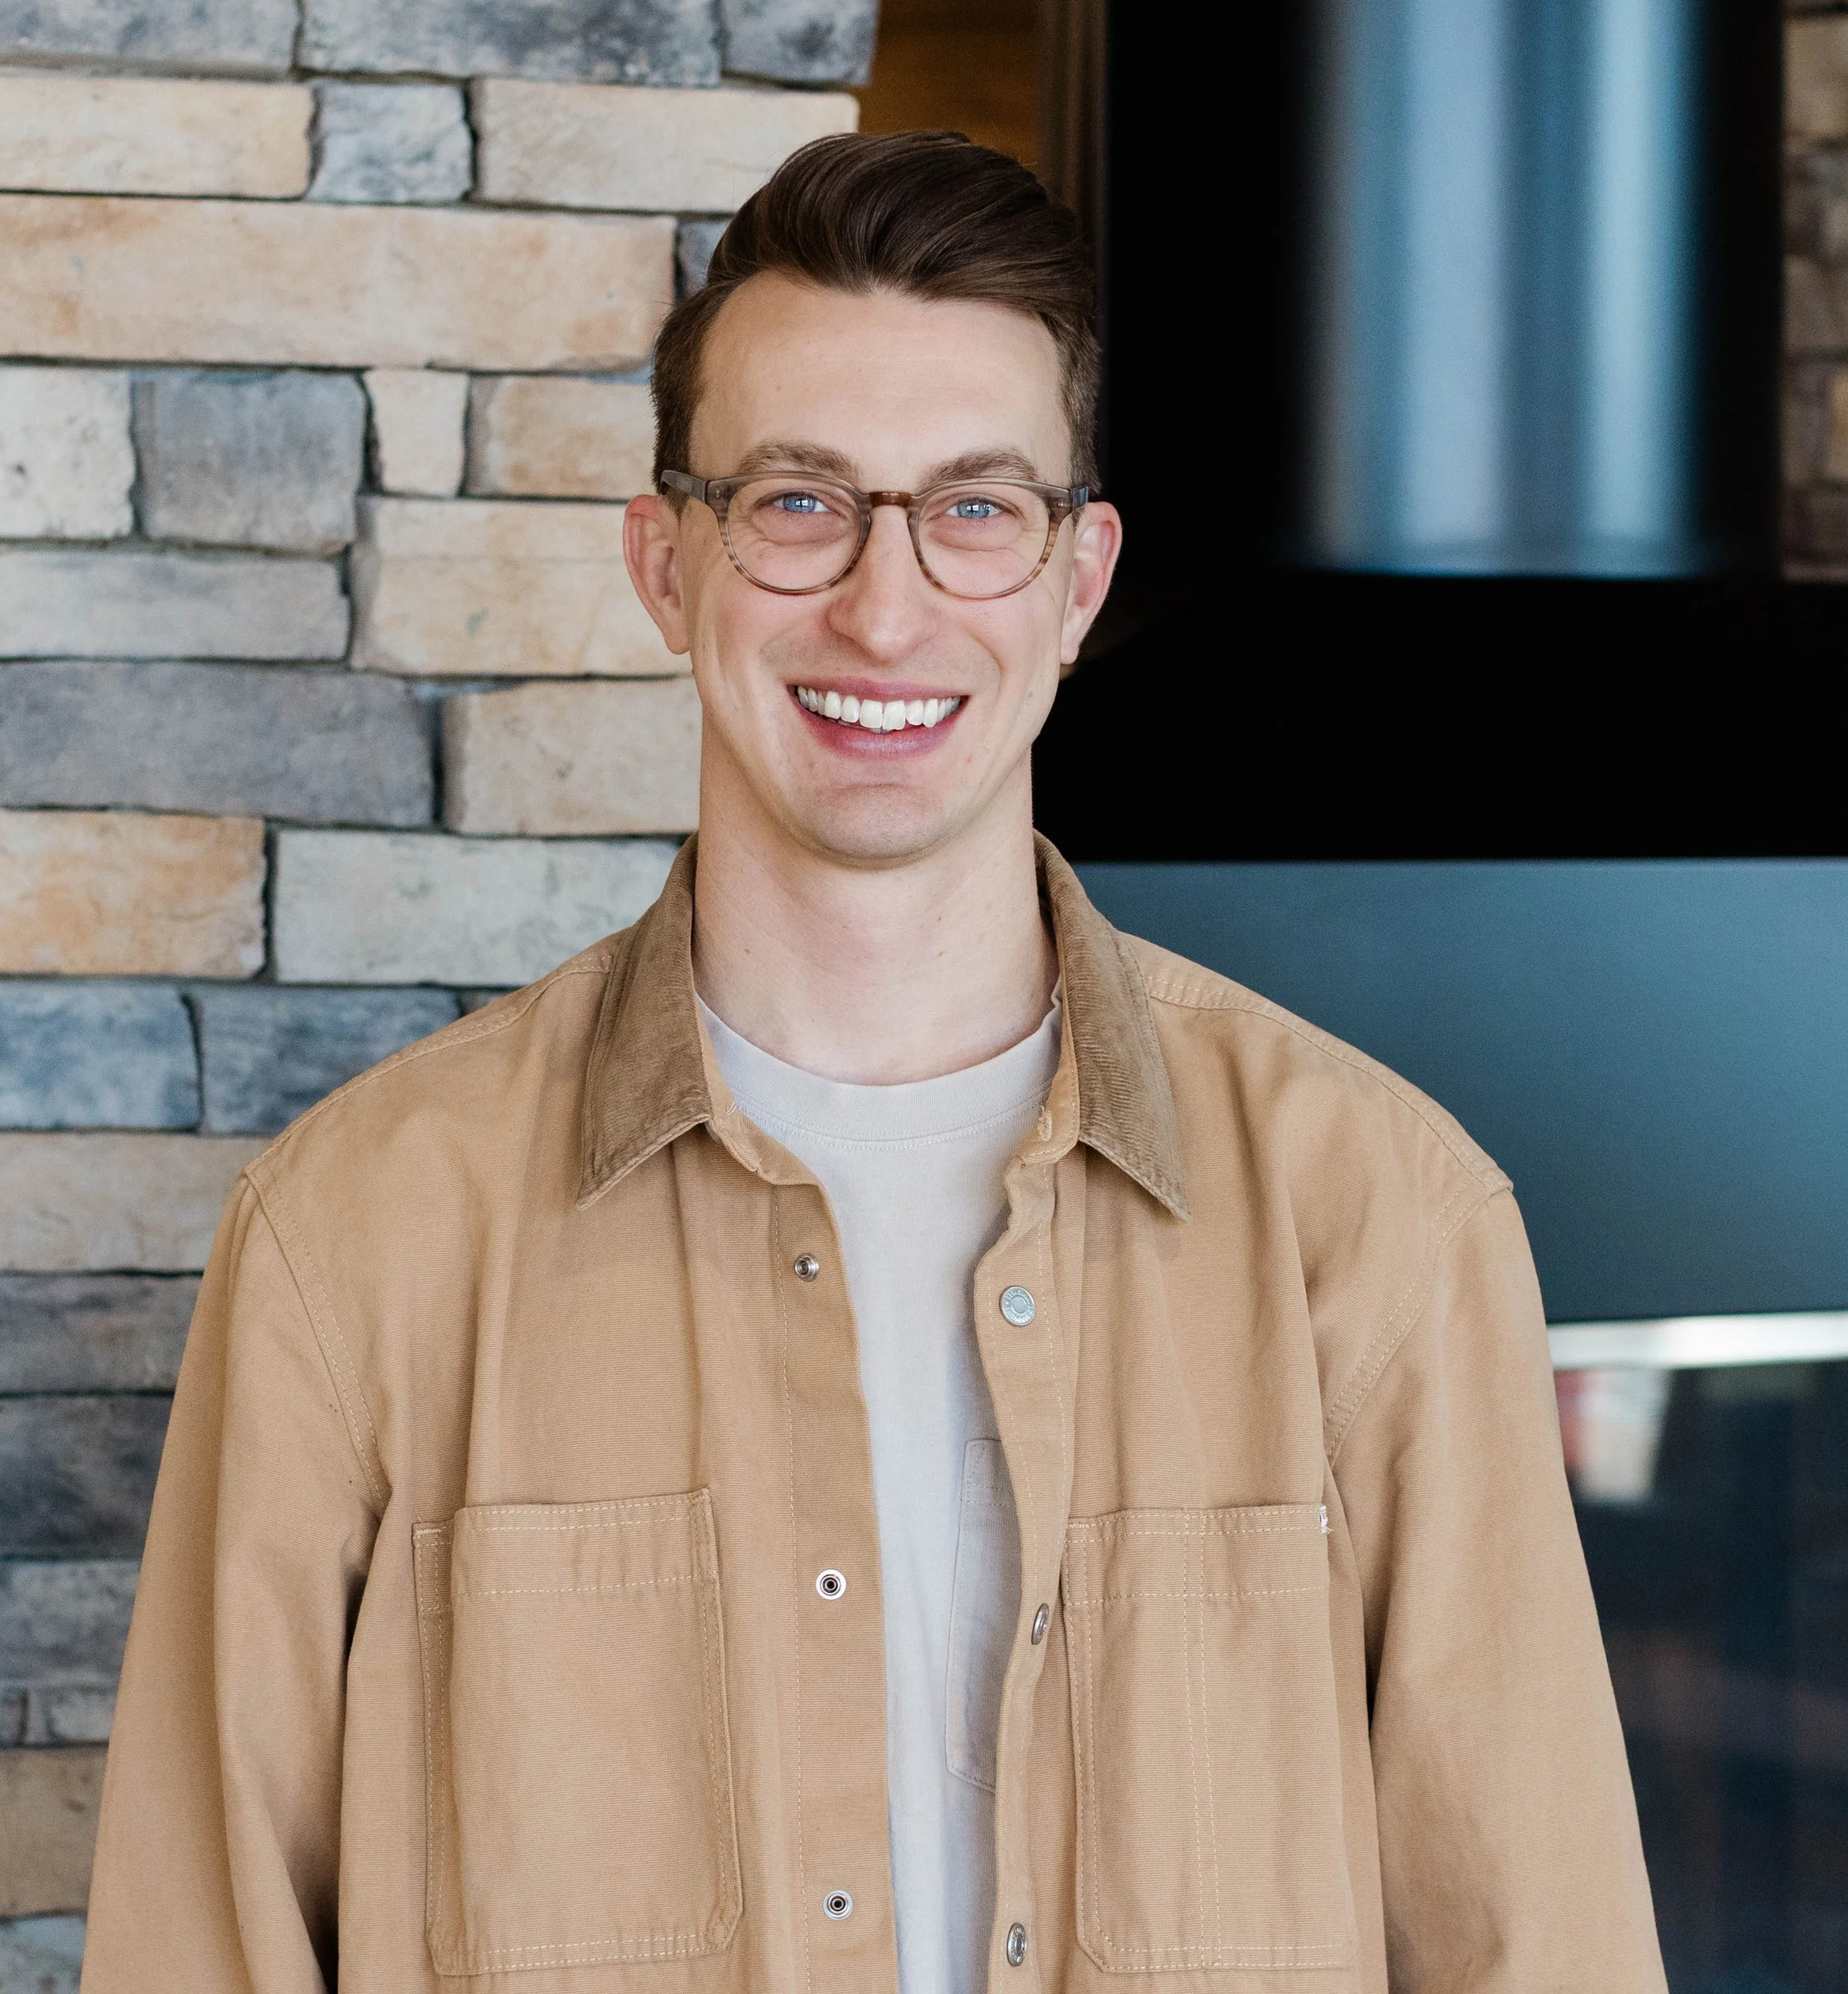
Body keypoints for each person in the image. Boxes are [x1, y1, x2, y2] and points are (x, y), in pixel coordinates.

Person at [83, 132, 1666, 1994]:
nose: (885, 609)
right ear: (665, 561)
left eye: (973, 509)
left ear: (1078, 580)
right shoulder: (351, 1241)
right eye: (798, 502)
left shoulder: (1382, 1220)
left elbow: (1536, 1948)